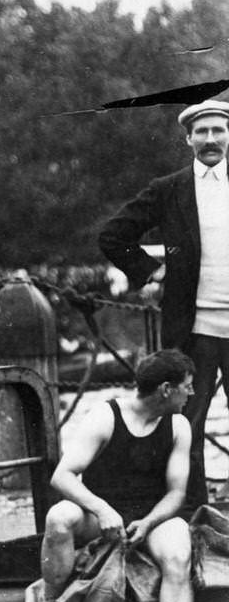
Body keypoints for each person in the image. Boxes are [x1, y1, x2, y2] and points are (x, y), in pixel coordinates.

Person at [26, 351, 196, 602]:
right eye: (187, 388)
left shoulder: (178, 426)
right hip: (102, 510)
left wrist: (148, 523)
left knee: (179, 554)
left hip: (150, 514)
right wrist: (101, 509)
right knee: (59, 518)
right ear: (166, 389)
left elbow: (177, 494)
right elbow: (63, 476)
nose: (191, 395)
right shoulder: (105, 416)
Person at [100, 99, 229, 507]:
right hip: (194, 331)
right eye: (202, 132)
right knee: (186, 427)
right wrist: (152, 272)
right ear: (188, 138)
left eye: (218, 130)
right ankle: (193, 513)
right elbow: (114, 235)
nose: (211, 139)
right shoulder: (169, 189)